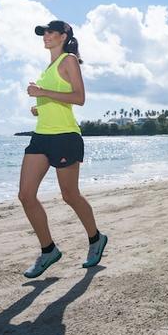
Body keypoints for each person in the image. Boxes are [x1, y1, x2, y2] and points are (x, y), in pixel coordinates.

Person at [18, 20, 107, 278]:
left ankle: (95, 238)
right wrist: (39, 104)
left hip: (65, 136)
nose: (45, 36)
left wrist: (42, 91)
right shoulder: (48, 68)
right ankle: (48, 250)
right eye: (43, 33)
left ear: (63, 35)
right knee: (26, 195)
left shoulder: (69, 60)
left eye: (49, 32)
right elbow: (56, 98)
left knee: (69, 195)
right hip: (41, 136)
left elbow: (79, 98)